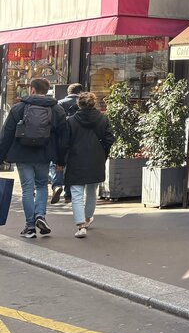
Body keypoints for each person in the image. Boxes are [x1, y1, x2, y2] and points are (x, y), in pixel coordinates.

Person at [0, 78, 68, 239]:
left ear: (32, 89)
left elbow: (7, 134)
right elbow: (63, 137)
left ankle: (30, 227)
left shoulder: (19, 108)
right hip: (45, 154)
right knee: (42, 185)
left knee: (27, 189)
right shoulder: (57, 109)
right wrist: (61, 160)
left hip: (22, 154)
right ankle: (40, 216)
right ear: (48, 90)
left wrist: (1, 157)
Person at [63, 92, 113, 238]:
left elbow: (65, 142)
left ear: (79, 104)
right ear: (93, 103)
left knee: (77, 193)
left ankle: (80, 225)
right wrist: (103, 152)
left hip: (76, 158)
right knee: (92, 191)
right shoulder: (103, 119)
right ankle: (87, 218)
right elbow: (109, 139)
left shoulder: (71, 121)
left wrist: (62, 160)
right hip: (96, 158)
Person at [52, 83, 84, 204]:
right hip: (77, 139)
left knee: (57, 163)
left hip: (61, 138)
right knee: (72, 166)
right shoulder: (82, 104)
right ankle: (68, 195)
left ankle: (57, 184)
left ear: (68, 92)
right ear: (80, 92)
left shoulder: (59, 103)